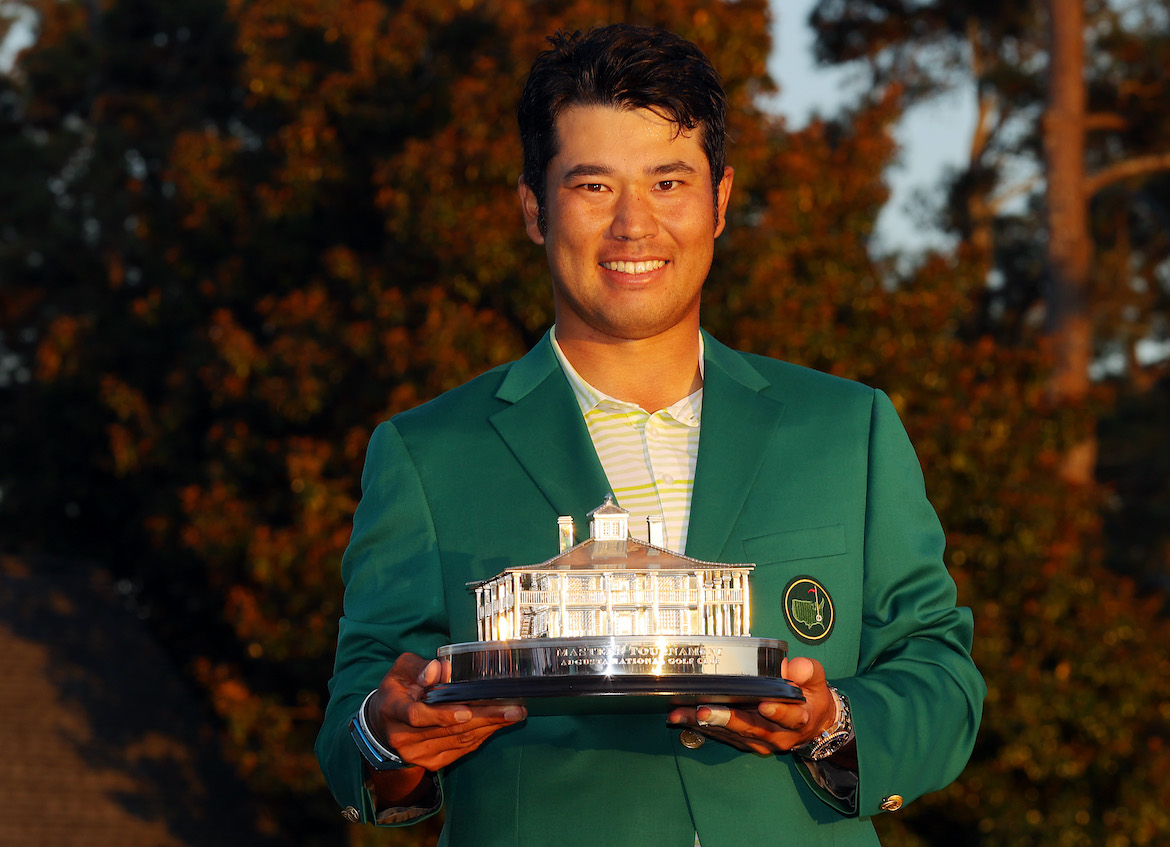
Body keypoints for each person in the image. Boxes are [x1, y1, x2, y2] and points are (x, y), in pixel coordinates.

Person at [316, 23, 985, 847]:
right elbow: (356, 732)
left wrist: (832, 722)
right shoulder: (427, 454)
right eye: (594, 187)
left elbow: (941, 679)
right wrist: (393, 740)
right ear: (533, 207)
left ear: (721, 200)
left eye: (668, 181)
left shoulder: (848, 429)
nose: (634, 225)